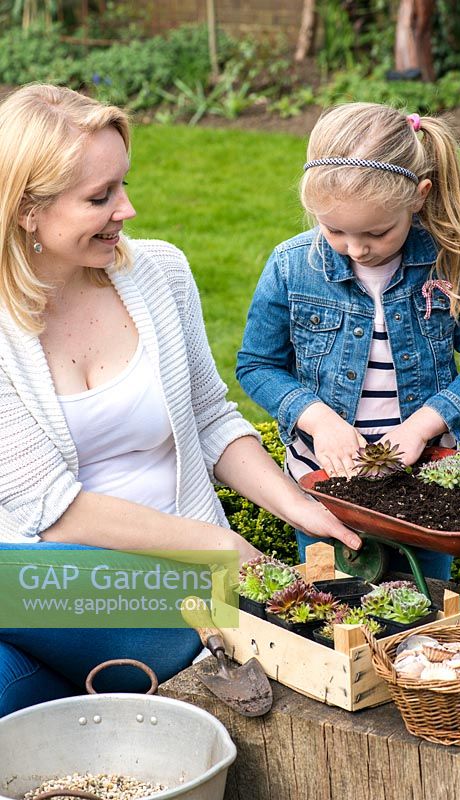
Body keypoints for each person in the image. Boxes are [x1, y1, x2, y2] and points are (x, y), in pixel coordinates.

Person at [0, 84, 362, 717]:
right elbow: (50, 512)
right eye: (100, 196)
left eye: (124, 185)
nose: (128, 210)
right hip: (47, 588)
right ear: (28, 209)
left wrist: (301, 508)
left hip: (178, 595)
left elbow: (210, 418)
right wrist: (213, 544)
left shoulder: (160, 274)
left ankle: (106, 693)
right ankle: (109, 700)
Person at [236, 102, 460, 577]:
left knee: (425, 607)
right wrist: (319, 421)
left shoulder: (450, 264)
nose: (356, 247)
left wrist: (422, 427)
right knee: (338, 604)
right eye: (334, 230)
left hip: (422, 482)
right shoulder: (291, 266)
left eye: (376, 232)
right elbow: (257, 365)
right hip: (325, 482)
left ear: (419, 197)